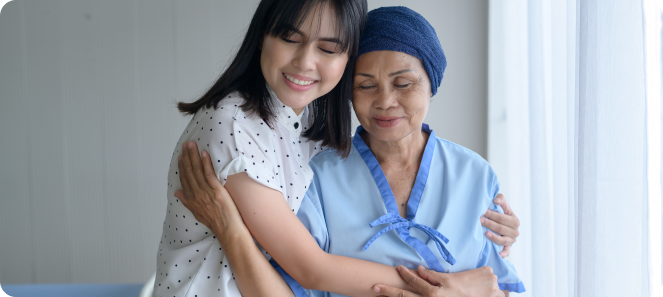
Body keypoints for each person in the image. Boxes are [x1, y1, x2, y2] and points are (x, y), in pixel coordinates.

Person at [173, 5, 524, 297]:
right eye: (366, 85)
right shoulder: (315, 170)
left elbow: (501, 286)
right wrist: (450, 289)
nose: (386, 102)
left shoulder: (476, 174)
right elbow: (308, 273)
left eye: (403, 83)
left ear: (432, 83)